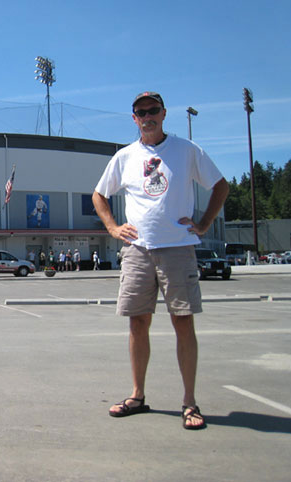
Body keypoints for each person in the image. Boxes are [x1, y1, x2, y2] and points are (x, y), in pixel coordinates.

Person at [92, 91, 229, 431]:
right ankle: (137, 396)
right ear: (134, 118)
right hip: (138, 251)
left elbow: (221, 186)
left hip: (178, 248)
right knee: (138, 323)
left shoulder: (186, 151)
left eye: (153, 110)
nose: (147, 116)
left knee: (183, 322)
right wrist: (112, 226)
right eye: (141, 112)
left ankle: (189, 402)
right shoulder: (125, 157)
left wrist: (204, 224)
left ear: (164, 113)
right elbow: (99, 195)